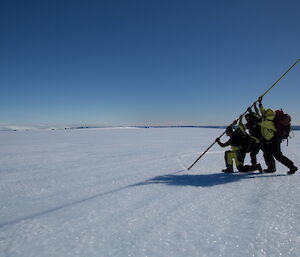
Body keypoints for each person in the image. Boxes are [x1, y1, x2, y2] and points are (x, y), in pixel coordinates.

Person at [255, 96, 298, 175]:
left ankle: (292, 167)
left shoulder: (269, 122)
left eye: (265, 113)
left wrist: (252, 111)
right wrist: (259, 103)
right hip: (269, 140)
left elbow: (258, 120)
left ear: (267, 114)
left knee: (278, 156)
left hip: (274, 140)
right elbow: (262, 112)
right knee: (267, 154)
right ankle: (271, 168)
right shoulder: (268, 117)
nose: (263, 113)